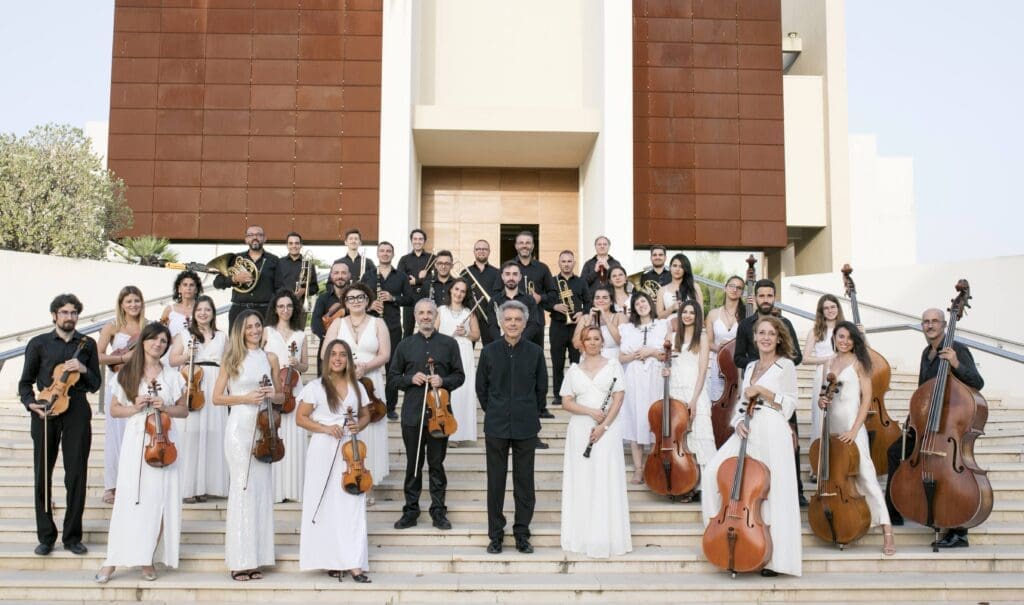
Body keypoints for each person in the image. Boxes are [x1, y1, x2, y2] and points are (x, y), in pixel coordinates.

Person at [702, 315, 801, 577]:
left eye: (771, 333)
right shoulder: (750, 366)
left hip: (772, 428)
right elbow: (742, 402)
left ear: (779, 338)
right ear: (754, 337)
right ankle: (722, 535)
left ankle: (775, 559)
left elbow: (791, 404)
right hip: (747, 427)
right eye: (762, 333)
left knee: (772, 492)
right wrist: (737, 422)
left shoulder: (786, 365)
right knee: (712, 472)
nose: (766, 337)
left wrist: (764, 391)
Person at [94, 322, 188, 584]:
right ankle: (112, 560)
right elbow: (114, 410)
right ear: (143, 341)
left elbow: (183, 410)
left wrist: (165, 407)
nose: (158, 344)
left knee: (159, 502)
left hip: (164, 442)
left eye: (163, 341)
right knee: (129, 500)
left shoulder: (172, 376)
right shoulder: (127, 374)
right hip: (137, 441)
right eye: (153, 339)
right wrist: (135, 407)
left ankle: (147, 559)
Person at [885, 307, 985, 548]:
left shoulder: (957, 349)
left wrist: (956, 363)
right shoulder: (926, 353)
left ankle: (959, 531)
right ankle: (895, 511)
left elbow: (977, 382)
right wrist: (914, 415)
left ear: (944, 325)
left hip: (949, 423)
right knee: (894, 451)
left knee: (948, 469)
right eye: (925, 322)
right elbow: (924, 388)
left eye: (934, 321)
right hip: (926, 423)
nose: (930, 325)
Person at [18, 293, 101, 557]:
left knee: (76, 474)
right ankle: (46, 536)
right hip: (46, 409)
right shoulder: (38, 343)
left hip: (77, 408)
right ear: (54, 315)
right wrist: (31, 403)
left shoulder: (88, 345)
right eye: (64, 312)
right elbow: (25, 383)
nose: (69, 317)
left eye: (74, 312)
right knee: (42, 473)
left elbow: (96, 384)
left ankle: (72, 536)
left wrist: (84, 369)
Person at [212, 310, 284, 581]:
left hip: (264, 429)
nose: (254, 330)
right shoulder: (231, 358)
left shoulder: (271, 358)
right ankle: (239, 560)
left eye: (257, 325)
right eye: (249, 327)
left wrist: (272, 394)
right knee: (242, 488)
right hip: (239, 429)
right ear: (240, 331)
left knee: (261, 491)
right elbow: (217, 398)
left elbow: (282, 397)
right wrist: (244, 398)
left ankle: (257, 558)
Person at [296, 339, 372, 583]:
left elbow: (366, 415)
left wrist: (358, 425)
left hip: (351, 452)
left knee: (351, 505)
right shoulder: (316, 387)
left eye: (342, 354)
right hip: (323, 449)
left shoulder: (357, 387)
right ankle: (330, 559)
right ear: (327, 359)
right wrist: (326, 428)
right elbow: (300, 418)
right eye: (334, 354)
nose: (338, 358)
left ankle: (354, 562)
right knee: (326, 504)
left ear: (348, 359)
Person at [817, 321, 896, 556]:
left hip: (852, 427)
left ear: (855, 341)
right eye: (841, 336)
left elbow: (867, 399)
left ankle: (887, 530)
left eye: (849, 338)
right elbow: (823, 395)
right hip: (831, 427)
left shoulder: (859, 363)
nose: (845, 341)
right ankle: (848, 523)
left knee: (867, 475)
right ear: (834, 337)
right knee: (838, 476)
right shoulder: (828, 363)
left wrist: (853, 430)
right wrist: (822, 401)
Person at [477, 301, 547, 554]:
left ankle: (522, 534)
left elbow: (541, 389)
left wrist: (528, 411)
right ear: (500, 322)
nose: (513, 323)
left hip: (525, 426)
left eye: (518, 319)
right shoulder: (489, 352)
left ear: (525, 323)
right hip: (496, 425)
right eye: (508, 319)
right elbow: (481, 389)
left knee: (524, 483)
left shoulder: (535, 352)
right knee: (495, 483)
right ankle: (495, 535)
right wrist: (495, 410)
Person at [388, 299, 465, 531]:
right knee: (413, 464)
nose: (425, 317)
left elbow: (459, 376)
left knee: (436, 464)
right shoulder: (405, 345)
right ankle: (411, 511)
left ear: (435, 316)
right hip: (413, 414)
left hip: (441, 417)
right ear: (415, 316)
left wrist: (444, 380)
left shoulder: (449, 344)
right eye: (420, 313)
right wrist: (410, 379)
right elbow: (392, 378)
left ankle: (438, 511)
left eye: (429, 312)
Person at [559, 325, 631, 558]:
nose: (592, 342)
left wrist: (603, 426)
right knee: (583, 480)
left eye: (596, 338)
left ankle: (605, 537)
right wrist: (590, 412)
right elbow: (566, 402)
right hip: (580, 429)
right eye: (588, 339)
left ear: (602, 342)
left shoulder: (613, 365)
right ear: (581, 343)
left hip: (607, 429)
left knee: (604, 478)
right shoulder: (574, 370)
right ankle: (582, 536)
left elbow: (618, 399)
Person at [733, 278, 805, 505]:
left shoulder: (785, 323)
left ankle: (796, 491)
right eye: (761, 295)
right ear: (755, 297)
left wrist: (773, 365)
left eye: (769, 295)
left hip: (777, 388)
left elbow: (797, 356)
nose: (765, 299)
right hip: (753, 393)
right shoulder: (745, 325)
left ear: (774, 297)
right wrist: (759, 366)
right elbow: (738, 358)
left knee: (791, 444)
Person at [323, 283, 391, 505]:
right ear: (345, 302)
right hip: (344, 382)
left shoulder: (378, 323)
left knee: (371, 430)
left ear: (368, 300)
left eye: (360, 297)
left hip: (371, 383)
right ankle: (347, 479)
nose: (356, 301)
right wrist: (346, 368)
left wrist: (365, 367)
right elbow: (325, 352)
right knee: (347, 428)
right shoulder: (338, 323)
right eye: (351, 298)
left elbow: (385, 354)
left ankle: (368, 484)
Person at [168, 295, 229, 502]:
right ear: (194, 313)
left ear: (213, 313)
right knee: (191, 436)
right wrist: (188, 355)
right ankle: (188, 488)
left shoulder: (222, 336)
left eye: (207, 310)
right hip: (193, 384)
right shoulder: (185, 334)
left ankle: (206, 486)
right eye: (200, 310)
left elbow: (228, 363)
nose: (203, 313)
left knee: (214, 434)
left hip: (215, 384)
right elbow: (172, 360)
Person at [96, 285, 145, 504]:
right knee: (115, 435)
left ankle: (136, 483)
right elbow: (98, 356)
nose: (133, 305)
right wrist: (124, 358)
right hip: (117, 384)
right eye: (129, 301)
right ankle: (113, 485)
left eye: (137, 301)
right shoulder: (112, 327)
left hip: (140, 384)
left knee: (138, 434)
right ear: (121, 304)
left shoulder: (148, 326)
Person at [617, 291, 669, 484]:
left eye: (643, 301)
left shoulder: (663, 325)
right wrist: (636, 355)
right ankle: (638, 469)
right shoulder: (628, 329)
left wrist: (652, 352)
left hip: (655, 378)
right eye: (637, 303)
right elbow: (621, 357)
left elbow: (668, 354)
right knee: (635, 420)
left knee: (654, 420)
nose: (641, 305)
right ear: (634, 309)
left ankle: (652, 467)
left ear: (650, 303)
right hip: (634, 378)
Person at [263, 290, 309, 503]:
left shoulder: (300, 335)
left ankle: (294, 489)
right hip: (274, 387)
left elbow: (305, 366)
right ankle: (276, 491)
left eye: (289, 306)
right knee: (274, 435)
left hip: (294, 389)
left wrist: (297, 364)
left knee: (294, 438)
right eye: (281, 306)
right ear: (275, 309)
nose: (285, 310)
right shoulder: (267, 332)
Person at [666, 300, 715, 498]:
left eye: (692, 313)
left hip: (695, 391)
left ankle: (704, 487)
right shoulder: (672, 337)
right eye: (684, 312)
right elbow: (668, 363)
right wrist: (665, 371)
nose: (687, 315)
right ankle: (684, 483)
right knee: (680, 441)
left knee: (701, 435)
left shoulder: (702, 337)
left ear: (697, 316)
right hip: (675, 391)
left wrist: (694, 400)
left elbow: (702, 371)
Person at [435, 279, 480, 447]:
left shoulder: (469, 312)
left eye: (462, 291)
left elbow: (476, 335)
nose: (459, 293)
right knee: (447, 393)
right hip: (445, 352)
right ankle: (445, 430)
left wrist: (465, 332)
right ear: (450, 290)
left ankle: (458, 434)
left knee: (462, 393)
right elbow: (433, 332)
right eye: (456, 289)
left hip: (464, 353)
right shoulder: (440, 310)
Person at [214, 225, 286, 328]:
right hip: (239, 311)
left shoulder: (274, 260)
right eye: (251, 235)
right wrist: (234, 279)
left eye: (259, 235)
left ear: (264, 239)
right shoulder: (235, 259)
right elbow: (217, 283)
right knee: (236, 339)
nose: (255, 237)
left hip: (265, 312)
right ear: (246, 239)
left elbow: (280, 289)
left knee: (266, 339)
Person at [372, 241, 410, 419]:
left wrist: (393, 298)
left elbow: (410, 299)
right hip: (371, 326)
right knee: (369, 365)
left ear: (393, 254)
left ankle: (390, 407)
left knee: (392, 368)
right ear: (378, 254)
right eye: (382, 251)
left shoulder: (401, 276)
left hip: (393, 327)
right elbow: (359, 296)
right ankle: (369, 403)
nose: (385, 253)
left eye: (388, 251)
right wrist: (371, 304)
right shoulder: (368, 275)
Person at [803, 294, 844, 449]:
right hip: (822, 375)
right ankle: (819, 457)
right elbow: (805, 359)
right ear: (821, 311)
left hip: (843, 373)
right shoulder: (815, 331)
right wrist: (829, 358)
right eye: (826, 308)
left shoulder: (845, 329)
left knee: (840, 415)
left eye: (833, 307)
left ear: (838, 308)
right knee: (821, 417)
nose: (830, 310)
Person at [549, 250, 588, 408]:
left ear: (574, 263)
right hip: (557, 326)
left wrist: (582, 312)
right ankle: (558, 395)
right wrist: (554, 306)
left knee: (575, 363)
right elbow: (545, 301)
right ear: (559, 263)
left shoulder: (581, 282)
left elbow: (589, 302)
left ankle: (574, 393)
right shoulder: (551, 282)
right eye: (563, 261)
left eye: (569, 261)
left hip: (576, 327)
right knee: (557, 362)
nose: (566, 264)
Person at [509, 231, 556, 350]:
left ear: (533, 246)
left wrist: (541, 298)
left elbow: (553, 294)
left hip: (536, 321)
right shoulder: (507, 267)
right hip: (513, 322)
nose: (524, 245)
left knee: (536, 356)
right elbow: (498, 292)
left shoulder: (543, 268)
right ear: (516, 246)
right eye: (521, 243)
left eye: (528, 243)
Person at [704, 275, 745, 402]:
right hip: (719, 365)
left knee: (738, 403)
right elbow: (709, 343)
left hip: (738, 365)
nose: (734, 289)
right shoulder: (713, 314)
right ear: (725, 288)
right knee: (717, 400)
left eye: (739, 288)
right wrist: (722, 349)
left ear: (742, 292)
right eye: (732, 286)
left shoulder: (746, 315)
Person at [310, 260, 352, 375]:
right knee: (324, 382)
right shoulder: (323, 298)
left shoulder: (355, 298)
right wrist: (329, 338)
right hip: (327, 346)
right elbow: (315, 323)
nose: (340, 276)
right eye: (336, 273)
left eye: (343, 273)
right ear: (331, 275)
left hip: (351, 347)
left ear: (349, 275)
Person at [397, 228, 433, 338]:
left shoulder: (432, 258)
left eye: (420, 239)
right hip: (409, 300)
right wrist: (421, 279)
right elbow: (400, 278)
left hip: (427, 299)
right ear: (411, 241)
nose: (418, 241)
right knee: (407, 331)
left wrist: (417, 281)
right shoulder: (404, 259)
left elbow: (434, 279)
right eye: (415, 239)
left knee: (428, 331)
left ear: (424, 241)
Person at [572, 286, 622, 362]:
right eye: (597, 298)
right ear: (593, 301)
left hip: (613, 360)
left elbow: (621, 342)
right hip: (589, 361)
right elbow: (576, 344)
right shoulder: (585, 318)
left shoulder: (619, 316)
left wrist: (605, 317)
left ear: (611, 301)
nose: (600, 300)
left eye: (605, 298)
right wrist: (588, 321)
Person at [466, 239, 500, 345]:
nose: (481, 251)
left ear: (489, 251)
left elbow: (500, 294)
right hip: (470, 316)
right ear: (474, 251)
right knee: (467, 348)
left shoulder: (497, 273)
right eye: (478, 249)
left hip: (490, 317)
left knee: (491, 349)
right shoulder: (465, 272)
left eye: (484, 249)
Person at [277, 232, 320, 313]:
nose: (294, 246)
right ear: (287, 245)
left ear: (301, 245)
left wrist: (304, 291)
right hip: (282, 306)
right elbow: (275, 286)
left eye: (297, 243)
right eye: (291, 243)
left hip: (300, 307)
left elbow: (315, 288)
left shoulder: (309, 264)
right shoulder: (279, 263)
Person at [656, 253, 704, 320]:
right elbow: (659, 317)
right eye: (675, 266)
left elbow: (701, 314)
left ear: (685, 269)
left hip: (690, 325)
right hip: (668, 325)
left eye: (681, 267)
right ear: (670, 267)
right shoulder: (662, 290)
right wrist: (672, 308)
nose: (677, 269)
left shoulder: (694, 287)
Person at [160, 270, 202, 339]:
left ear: (196, 289)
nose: (188, 288)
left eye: (191, 285)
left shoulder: (202, 310)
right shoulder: (169, 310)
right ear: (179, 288)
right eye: (185, 285)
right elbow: (159, 332)